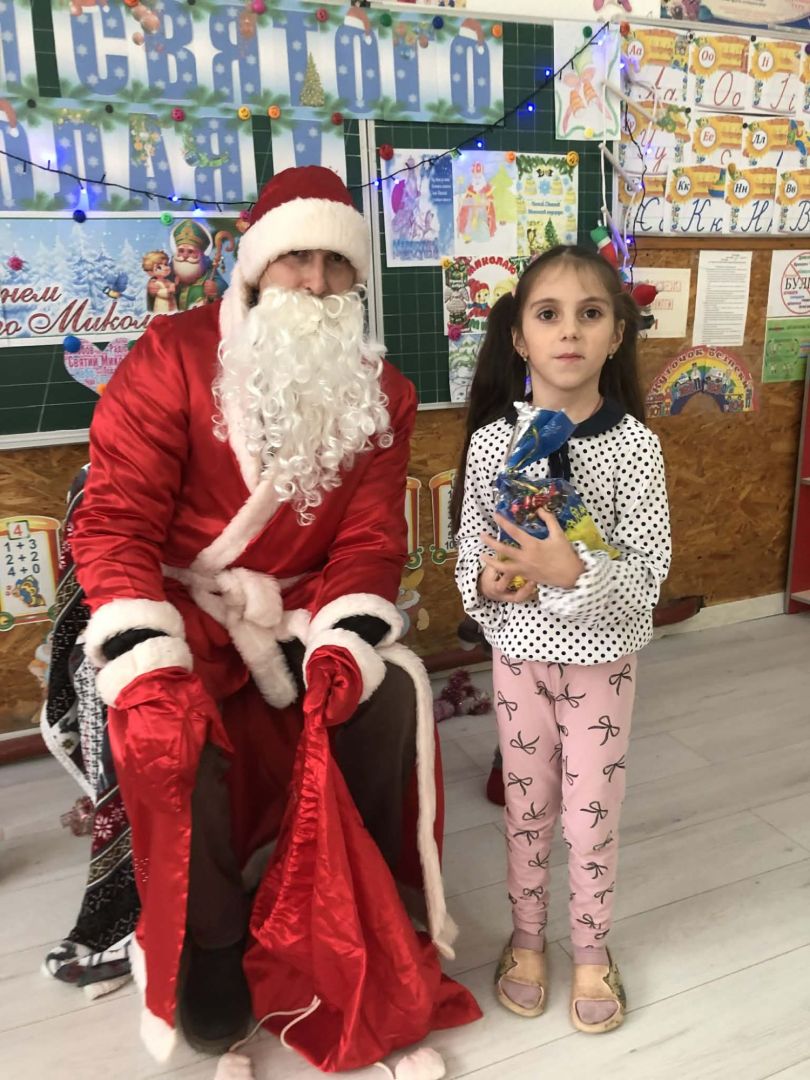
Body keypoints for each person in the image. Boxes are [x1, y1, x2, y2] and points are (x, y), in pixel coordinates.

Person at [71, 166, 479, 1071]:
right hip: (183, 603)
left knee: (384, 696)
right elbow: (115, 520)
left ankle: (365, 907)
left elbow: (370, 539)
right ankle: (212, 944)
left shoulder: (384, 391)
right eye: (297, 258)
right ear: (255, 266)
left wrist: (344, 634)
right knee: (168, 728)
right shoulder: (173, 356)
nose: (317, 283)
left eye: (337, 265)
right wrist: (145, 644)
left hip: (300, 610)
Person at [451, 245, 671, 1034]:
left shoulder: (635, 445)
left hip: (602, 669)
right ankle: (526, 939)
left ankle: (589, 948)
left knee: (589, 817)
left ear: (617, 334)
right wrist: (489, 583)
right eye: (549, 314)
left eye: (591, 313)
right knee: (528, 809)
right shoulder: (492, 442)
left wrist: (571, 570)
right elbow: (469, 555)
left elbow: (648, 576)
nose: (569, 331)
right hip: (518, 660)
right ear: (520, 336)